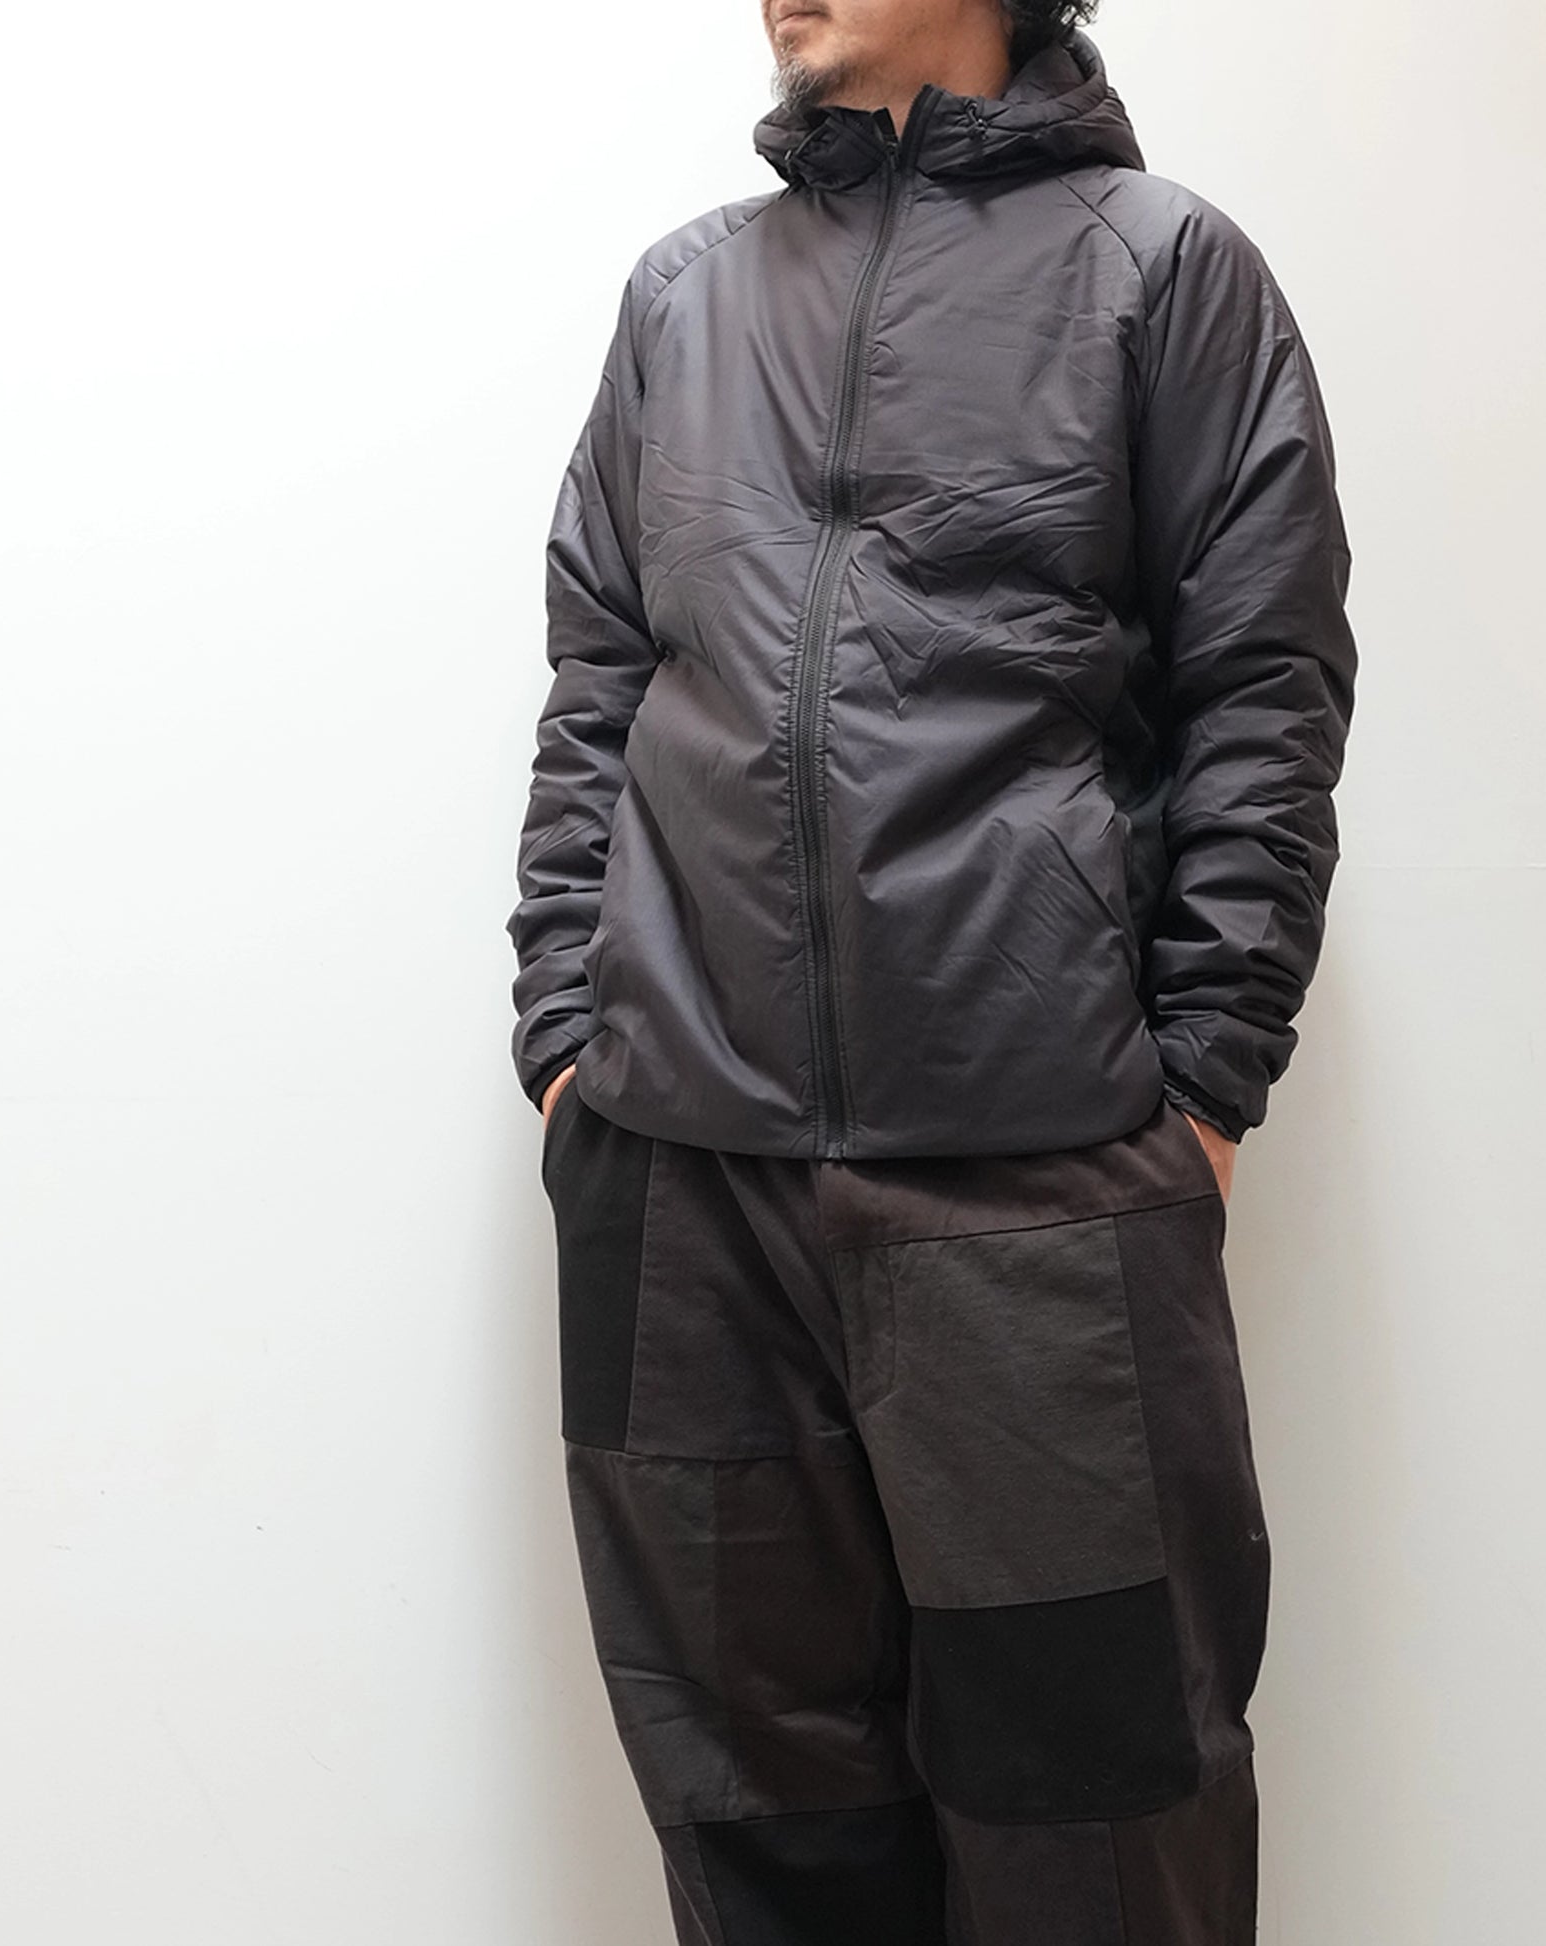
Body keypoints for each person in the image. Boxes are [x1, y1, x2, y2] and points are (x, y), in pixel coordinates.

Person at [507, 0, 1356, 1937]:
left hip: (1035, 1198)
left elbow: (1263, 694)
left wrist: (1199, 1091)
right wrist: (569, 1038)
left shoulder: (1161, 271)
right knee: (757, 1843)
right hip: (682, 1195)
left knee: (1099, 1848)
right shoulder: (682, 299)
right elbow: (597, 681)